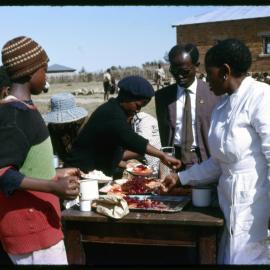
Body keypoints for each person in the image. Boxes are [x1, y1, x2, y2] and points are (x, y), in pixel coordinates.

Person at [161, 38, 270, 264]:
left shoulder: (261, 97)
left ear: (225, 71)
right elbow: (218, 162)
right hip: (229, 201)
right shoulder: (222, 106)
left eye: (208, 73)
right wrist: (181, 178)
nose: (205, 79)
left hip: (258, 202)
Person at [0, 36, 80, 265]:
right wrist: (52, 186)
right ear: (30, 72)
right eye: (44, 69)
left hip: (41, 226)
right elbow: (3, 173)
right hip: (33, 232)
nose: (46, 76)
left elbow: (25, 164)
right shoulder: (14, 115)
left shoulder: (26, 110)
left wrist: (56, 174)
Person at [64, 75, 181, 178]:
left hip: (92, 171)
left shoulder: (117, 110)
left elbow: (106, 149)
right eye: (137, 105)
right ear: (126, 97)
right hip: (78, 172)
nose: (138, 110)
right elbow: (131, 139)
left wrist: (127, 165)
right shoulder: (111, 113)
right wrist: (162, 155)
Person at [155, 43, 220, 171]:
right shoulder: (162, 97)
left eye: (184, 71)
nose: (179, 76)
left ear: (196, 67)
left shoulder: (213, 94)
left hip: (205, 160)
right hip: (173, 162)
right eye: (174, 71)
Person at [43, 92, 88, 164]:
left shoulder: (83, 125)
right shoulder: (52, 127)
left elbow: (86, 151)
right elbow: (55, 151)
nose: (59, 124)